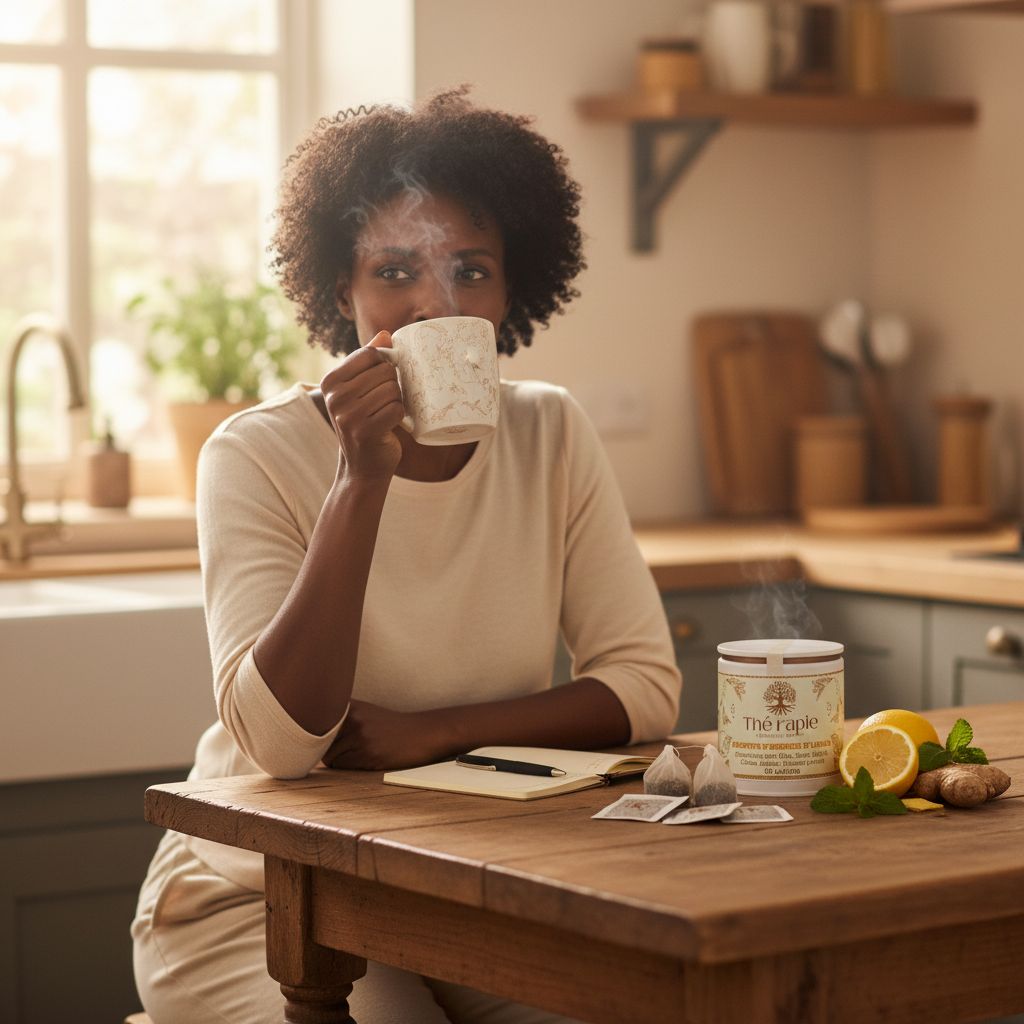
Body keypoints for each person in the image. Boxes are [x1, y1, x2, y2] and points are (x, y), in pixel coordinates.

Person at [132, 87, 681, 1024]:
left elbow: (644, 688)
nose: (436, 301)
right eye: (395, 271)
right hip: (258, 893)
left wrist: (438, 732)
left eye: (472, 270)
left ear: (509, 294)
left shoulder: (550, 431)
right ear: (339, 292)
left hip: (471, 877)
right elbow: (281, 747)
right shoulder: (253, 453)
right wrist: (361, 477)